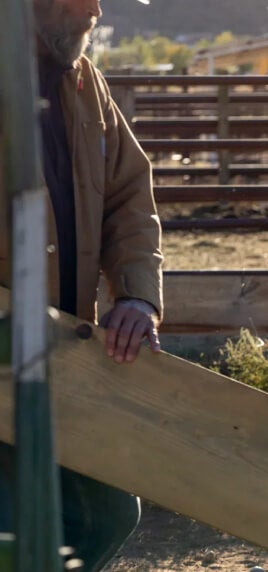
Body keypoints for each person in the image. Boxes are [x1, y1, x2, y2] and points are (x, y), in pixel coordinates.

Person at [0, 0, 163, 569]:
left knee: (109, 512)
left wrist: (137, 295)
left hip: (67, 349)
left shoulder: (84, 80)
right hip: (4, 354)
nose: (95, 9)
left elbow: (127, 195)